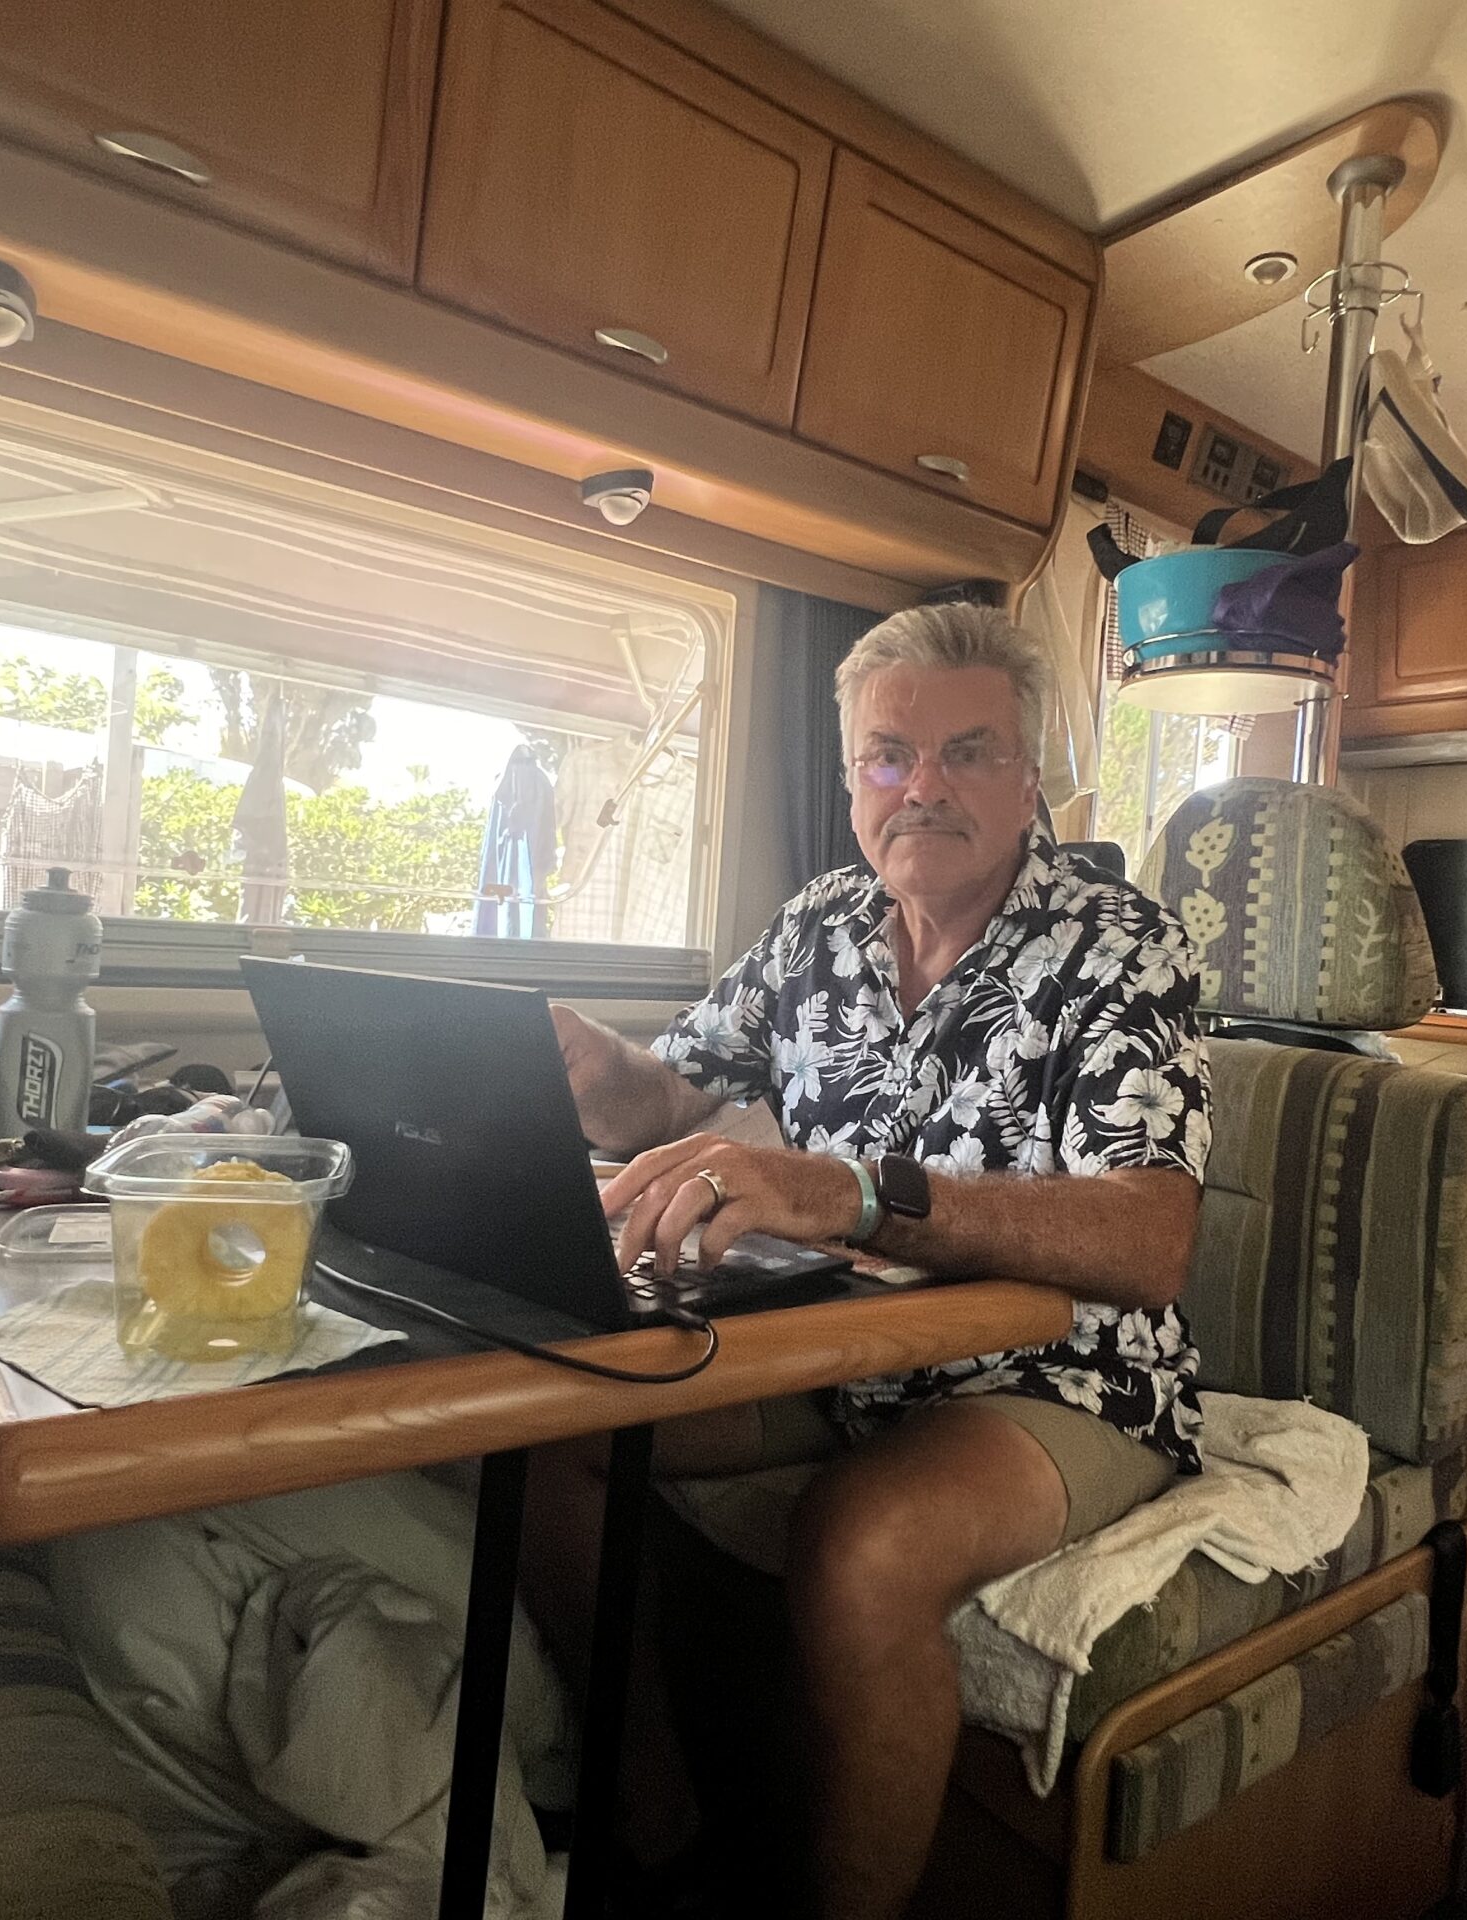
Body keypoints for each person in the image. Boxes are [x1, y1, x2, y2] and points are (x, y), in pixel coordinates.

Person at [527, 602, 1211, 1920]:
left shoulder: (1122, 945)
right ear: (851, 780)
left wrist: (847, 1192)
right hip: (840, 1356)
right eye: (888, 757)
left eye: (968, 752)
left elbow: (1149, 1237)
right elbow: (670, 1099)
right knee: (555, 1430)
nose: (922, 787)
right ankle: (649, 1816)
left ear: (1028, 777)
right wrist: (592, 1069)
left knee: (865, 1541)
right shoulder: (817, 928)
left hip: (1068, 1376)